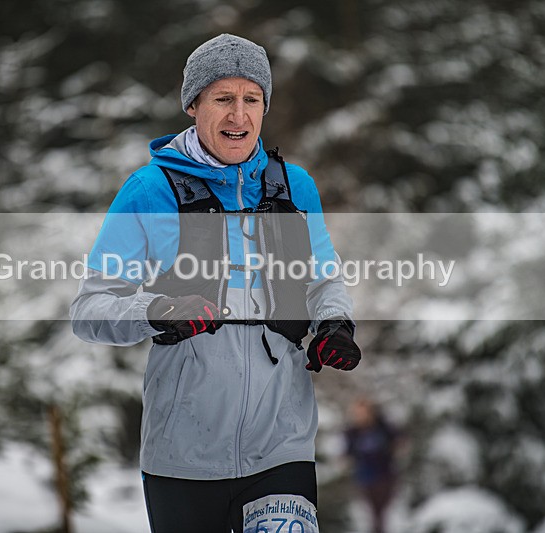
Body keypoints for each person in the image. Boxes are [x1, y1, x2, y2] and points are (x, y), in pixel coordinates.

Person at [70, 33, 361, 533]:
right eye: (223, 99)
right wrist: (157, 309)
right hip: (183, 453)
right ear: (192, 105)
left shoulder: (295, 188)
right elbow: (90, 310)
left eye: (251, 100)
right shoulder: (148, 191)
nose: (238, 116)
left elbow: (323, 278)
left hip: (282, 442)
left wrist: (336, 323)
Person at [343, 398, 398, 533]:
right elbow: (348, 452)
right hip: (364, 477)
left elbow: (398, 440)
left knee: (380, 512)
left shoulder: (383, 427)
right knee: (370, 512)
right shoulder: (353, 432)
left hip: (384, 475)